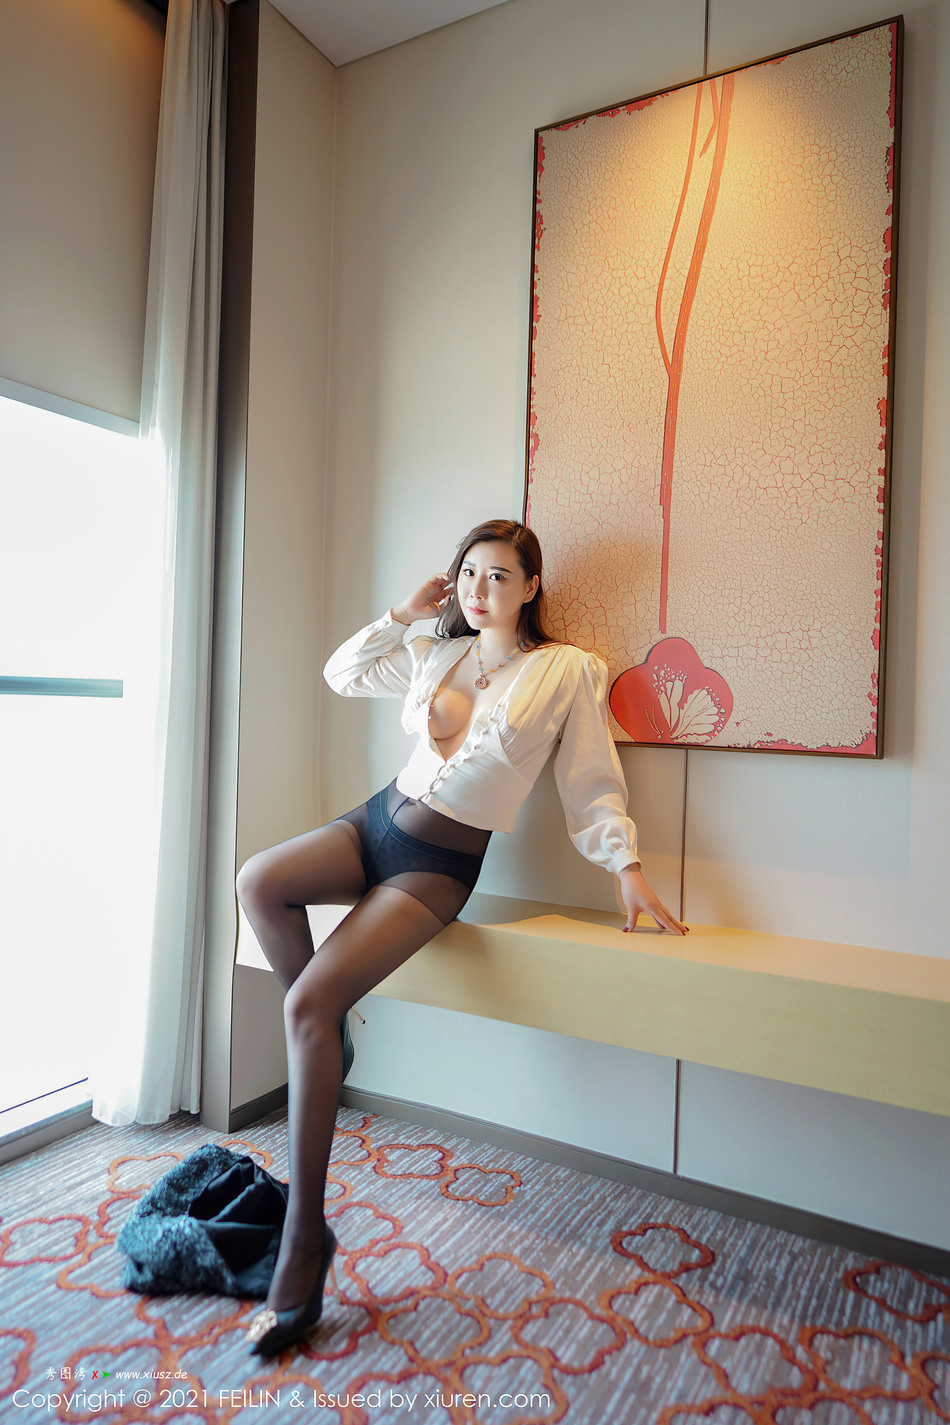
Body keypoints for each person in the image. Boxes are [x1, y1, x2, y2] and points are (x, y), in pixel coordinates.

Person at [236, 518, 686, 1356]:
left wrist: (623, 863)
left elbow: (591, 781)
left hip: (435, 866)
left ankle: (303, 1243)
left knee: (305, 1003)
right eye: (470, 572)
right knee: (258, 879)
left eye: (500, 575)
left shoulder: (563, 670)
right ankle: (327, 1031)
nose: (480, 589)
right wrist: (402, 615)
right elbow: (342, 673)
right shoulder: (437, 652)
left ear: (531, 587)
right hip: (373, 821)